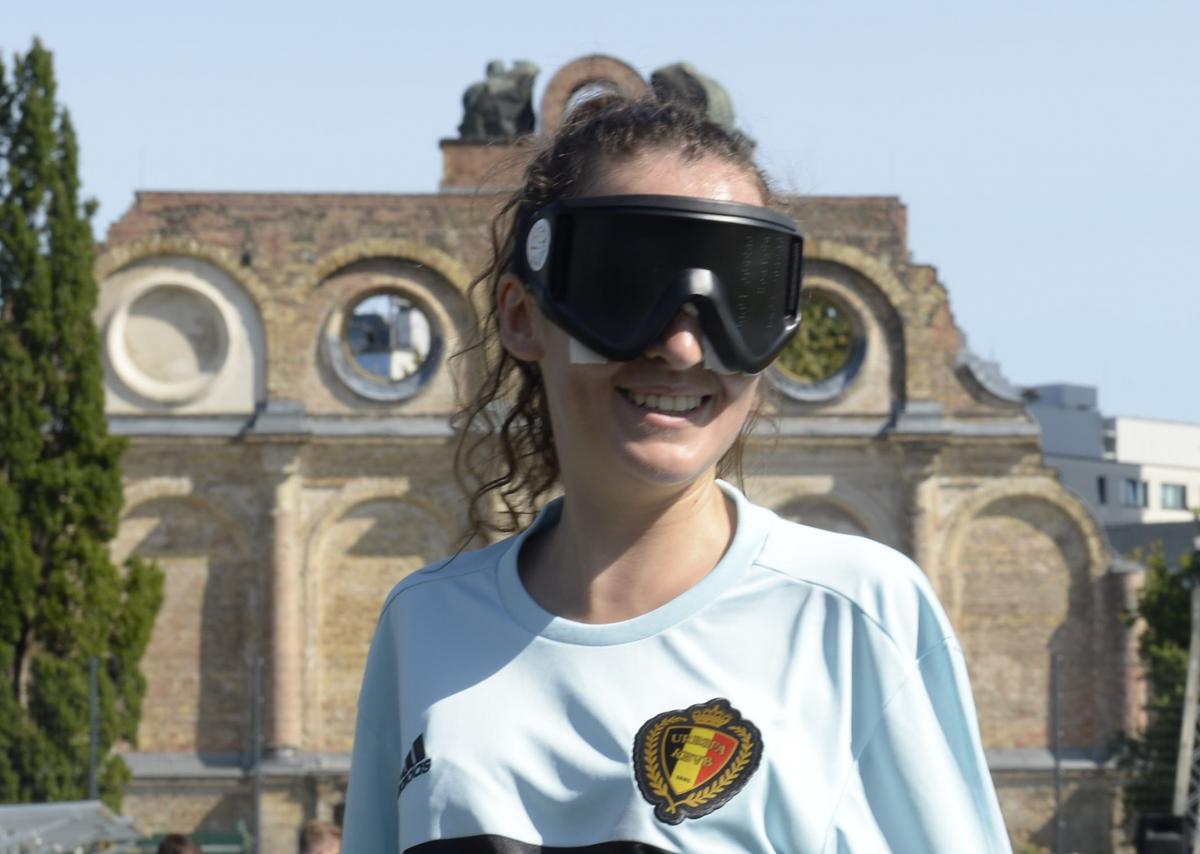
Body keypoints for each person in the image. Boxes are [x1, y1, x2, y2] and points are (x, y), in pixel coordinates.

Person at [343, 96, 1011, 853]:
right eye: (627, 286)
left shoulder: (855, 612)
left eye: (739, 296)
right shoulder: (425, 622)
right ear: (522, 315)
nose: (685, 347)